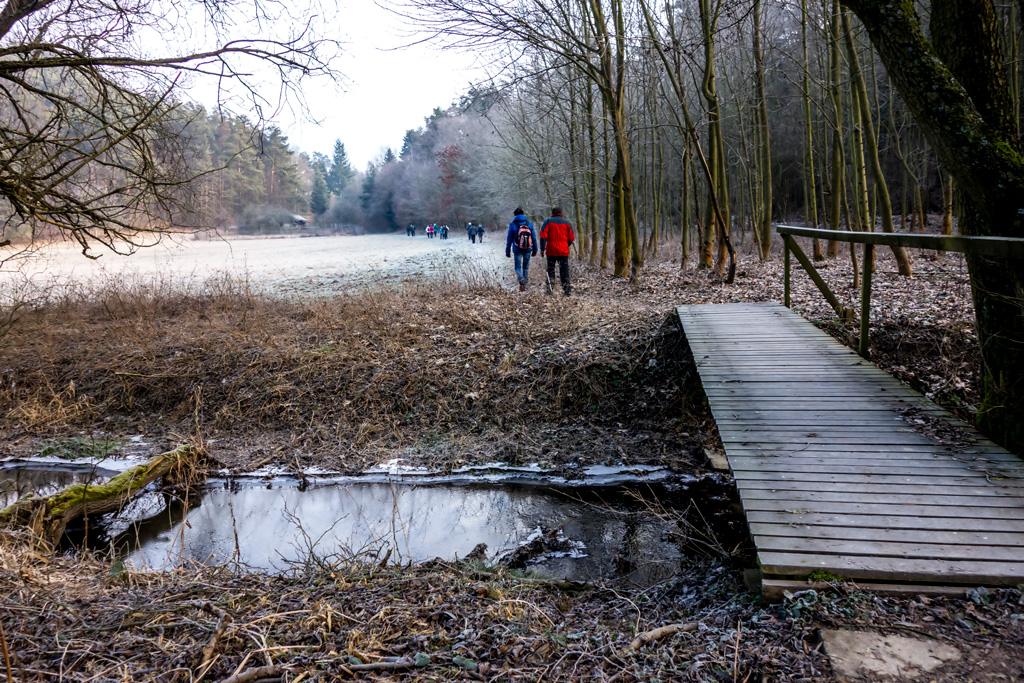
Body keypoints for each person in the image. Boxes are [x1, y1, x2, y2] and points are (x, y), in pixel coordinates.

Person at [540, 207, 576, 296]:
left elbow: (542, 236)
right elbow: (571, 237)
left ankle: (550, 289)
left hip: (551, 250)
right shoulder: (567, 222)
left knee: (550, 269)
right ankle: (567, 290)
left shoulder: (548, 222)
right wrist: (566, 245)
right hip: (563, 251)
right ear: (561, 213)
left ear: (552, 213)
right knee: (564, 270)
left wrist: (542, 249)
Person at [506, 208, 538, 291]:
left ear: (515, 215)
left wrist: (507, 251)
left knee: (517, 267)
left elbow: (509, 238)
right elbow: (533, 237)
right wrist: (535, 249)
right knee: (526, 267)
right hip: (528, 248)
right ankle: (525, 285)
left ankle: (521, 280)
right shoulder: (529, 223)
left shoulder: (513, 224)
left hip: (517, 249)